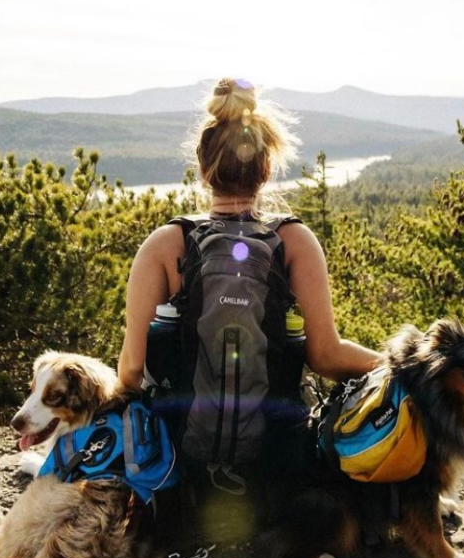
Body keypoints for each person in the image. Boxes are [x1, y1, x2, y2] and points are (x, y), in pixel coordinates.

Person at [117, 76, 380, 402]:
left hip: (180, 449)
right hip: (280, 446)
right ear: (266, 168)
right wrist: (399, 367)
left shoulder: (164, 244)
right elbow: (326, 356)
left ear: (202, 168)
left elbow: (132, 370)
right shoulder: (295, 241)